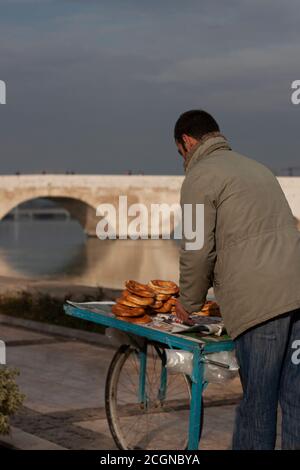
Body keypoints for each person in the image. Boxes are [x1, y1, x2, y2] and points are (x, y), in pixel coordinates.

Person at [174, 109, 300, 450]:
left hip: (262, 305)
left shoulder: (200, 177)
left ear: (186, 141)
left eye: (180, 153)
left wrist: (188, 302)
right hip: (297, 294)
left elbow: (198, 249)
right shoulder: (258, 169)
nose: (182, 161)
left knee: (257, 406)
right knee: (294, 401)